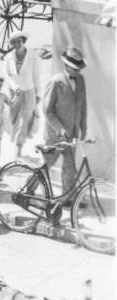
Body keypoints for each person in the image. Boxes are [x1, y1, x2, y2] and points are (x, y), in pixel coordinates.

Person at [42, 46, 87, 197]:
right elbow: (47, 110)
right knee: (47, 165)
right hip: (55, 134)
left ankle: (68, 198)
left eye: (79, 68)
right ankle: (32, 190)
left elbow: (83, 104)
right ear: (66, 65)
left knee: (69, 167)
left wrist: (83, 127)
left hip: (72, 132)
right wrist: (60, 129)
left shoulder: (80, 80)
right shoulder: (55, 82)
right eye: (75, 68)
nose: (77, 71)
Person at [1, 30, 41, 157]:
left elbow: (36, 75)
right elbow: (6, 75)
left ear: (23, 41)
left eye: (19, 41)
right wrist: (14, 87)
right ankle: (17, 142)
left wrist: (38, 93)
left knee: (24, 121)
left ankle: (19, 147)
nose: (17, 44)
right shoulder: (8, 57)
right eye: (14, 42)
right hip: (14, 93)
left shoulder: (32, 56)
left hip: (28, 92)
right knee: (13, 119)